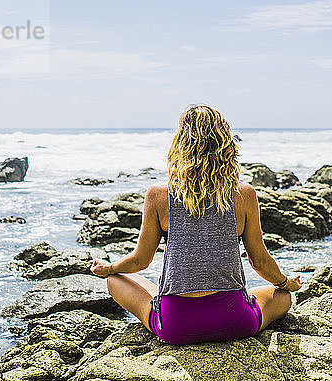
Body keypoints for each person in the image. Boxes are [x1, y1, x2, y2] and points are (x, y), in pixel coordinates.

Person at [90, 104, 301, 345]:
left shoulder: (159, 194)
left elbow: (141, 261)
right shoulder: (244, 194)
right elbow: (260, 261)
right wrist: (285, 282)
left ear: (180, 144)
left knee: (115, 280)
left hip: (177, 327)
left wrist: (109, 268)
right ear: (225, 144)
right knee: (282, 297)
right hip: (233, 322)